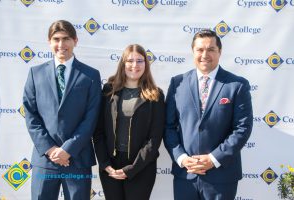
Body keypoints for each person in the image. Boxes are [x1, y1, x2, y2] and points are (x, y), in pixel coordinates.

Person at [163, 29, 253, 200]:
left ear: (220, 52)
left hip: (221, 176)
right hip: (185, 175)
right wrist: (181, 158)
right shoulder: (177, 83)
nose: (205, 54)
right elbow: (169, 126)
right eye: (200, 49)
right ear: (193, 52)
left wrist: (213, 158)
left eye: (211, 49)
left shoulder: (237, 85)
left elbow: (242, 128)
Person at [23, 20, 101, 200]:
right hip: (45, 160)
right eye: (56, 39)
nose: (61, 44)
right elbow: (30, 115)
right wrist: (50, 149)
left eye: (66, 39)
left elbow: (91, 117)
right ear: (49, 42)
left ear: (75, 41)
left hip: (78, 158)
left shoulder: (90, 75)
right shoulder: (36, 73)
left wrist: (68, 149)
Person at [93, 44, 165, 200]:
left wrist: (132, 169)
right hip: (110, 166)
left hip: (141, 167)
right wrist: (105, 164)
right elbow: (98, 132)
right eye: (130, 60)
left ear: (146, 64)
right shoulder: (108, 91)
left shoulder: (156, 95)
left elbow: (155, 138)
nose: (135, 65)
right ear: (123, 64)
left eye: (140, 61)